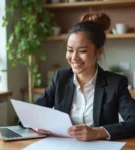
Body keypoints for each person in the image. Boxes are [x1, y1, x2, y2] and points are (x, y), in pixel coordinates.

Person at [33, 13, 135, 141]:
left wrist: (98, 132)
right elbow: (33, 112)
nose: (74, 57)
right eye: (70, 50)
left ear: (99, 52)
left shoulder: (115, 83)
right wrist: (35, 125)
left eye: (82, 51)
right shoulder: (61, 77)